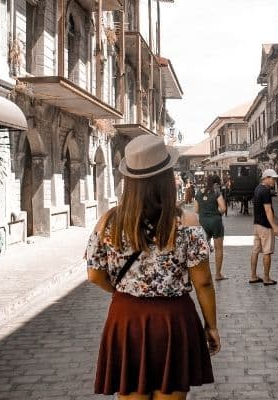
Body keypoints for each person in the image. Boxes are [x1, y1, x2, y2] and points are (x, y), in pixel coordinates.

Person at [85, 135, 219, 399]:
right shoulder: (186, 223)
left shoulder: (108, 222)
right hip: (173, 321)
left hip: (125, 319)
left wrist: (121, 291)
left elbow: (93, 275)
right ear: (167, 178)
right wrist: (211, 326)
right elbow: (203, 282)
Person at [249, 169, 278, 286]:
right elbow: (268, 210)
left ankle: (253, 276)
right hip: (265, 225)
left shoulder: (257, 188)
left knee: (255, 250)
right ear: (266, 178)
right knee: (267, 252)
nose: (274, 181)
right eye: (273, 179)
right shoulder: (266, 191)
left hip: (257, 223)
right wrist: (275, 226)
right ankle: (266, 278)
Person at [195, 175, 228, 281]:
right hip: (216, 222)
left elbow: (196, 210)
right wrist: (216, 213)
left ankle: (205, 274)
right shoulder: (217, 192)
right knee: (219, 249)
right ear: (216, 183)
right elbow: (223, 208)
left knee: (204, 249)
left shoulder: (199, 192)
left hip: (203, 222)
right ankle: (218, 274)